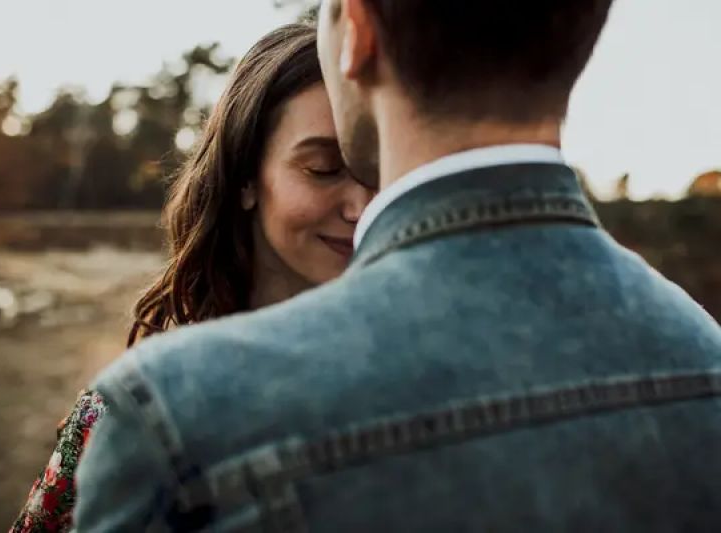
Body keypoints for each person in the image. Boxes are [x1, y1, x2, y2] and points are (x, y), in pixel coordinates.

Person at [75, 1, 721, 531]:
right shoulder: (707, 359)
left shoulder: (183, 418)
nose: (354, 203)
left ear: (355, 31)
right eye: (321, 169)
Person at [10, 23, 372, 533]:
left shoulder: (414, 384)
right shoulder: (138, 408)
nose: (362, 205)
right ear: (246, 174)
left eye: (376, 171)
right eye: (323, 168)